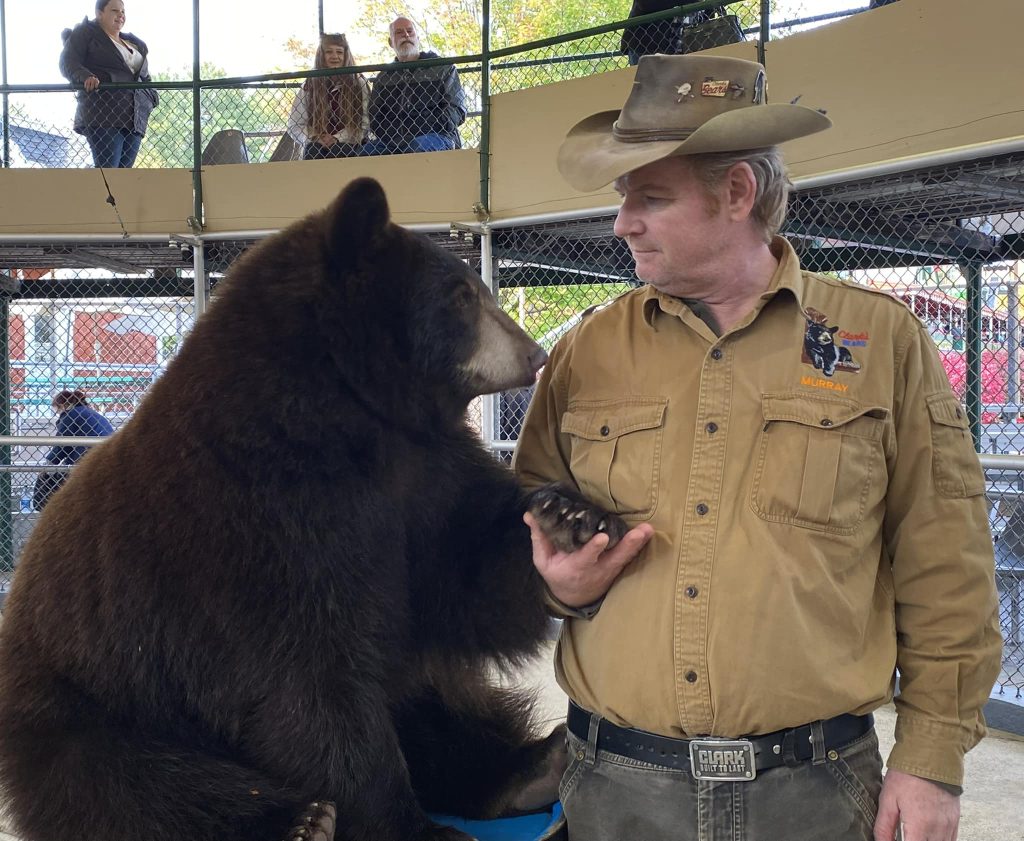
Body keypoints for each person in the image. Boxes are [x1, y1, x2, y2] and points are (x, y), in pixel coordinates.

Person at [513, 54, 1002, 841]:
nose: (621, 222)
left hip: (813, 792)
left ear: (737, 193)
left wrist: (932, 758)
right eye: (622, 197)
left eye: (651, 197)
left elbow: (947, 566)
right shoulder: (586, 351)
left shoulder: (880, 344)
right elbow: (521, 527)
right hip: (618, 791)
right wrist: (560, 587)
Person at [59, 0, 159, 169]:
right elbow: (68, 62)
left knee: (124, 175)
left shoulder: (134, 44)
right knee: (108, 171)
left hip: (135, 117)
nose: (121, 15)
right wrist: (86, 77)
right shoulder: (86, 33)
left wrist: (152, 97)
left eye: (123, 11)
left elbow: (145, 77)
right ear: (99, 13)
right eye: (114, 10)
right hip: (104, 112)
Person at [362, 16, 466, 155]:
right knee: (366, 152)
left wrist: (416, 128)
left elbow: (456, 110)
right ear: (390, 42)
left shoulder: (442, 68)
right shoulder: (384, 77)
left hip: (439, 136)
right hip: (394, 140)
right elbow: (376, 118)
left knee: (417, 146)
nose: (406, 35)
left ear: (418, 38)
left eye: (410, 31)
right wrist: (398, 135)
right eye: (399, 32)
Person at [286, 33, 369, 160]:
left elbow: (365, 123)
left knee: (338, 150)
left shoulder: (359, 83)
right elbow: (295, 124)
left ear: (346, 55)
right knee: (312, 150)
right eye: (329, 52)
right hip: (318, 143)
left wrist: (337, 138)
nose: (335, 56)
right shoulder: (310, 84)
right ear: (322, 55)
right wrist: (315, 137)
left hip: (351, 143)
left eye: (339, 52)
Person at [45, 390, 114, 467]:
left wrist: (48, 463)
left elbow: (62, 444)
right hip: (108, 452)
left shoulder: (70, 415)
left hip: (91, 454)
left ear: (62, 406)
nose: (59, 414)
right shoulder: (88, 411)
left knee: (50, 476)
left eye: (58, 411)